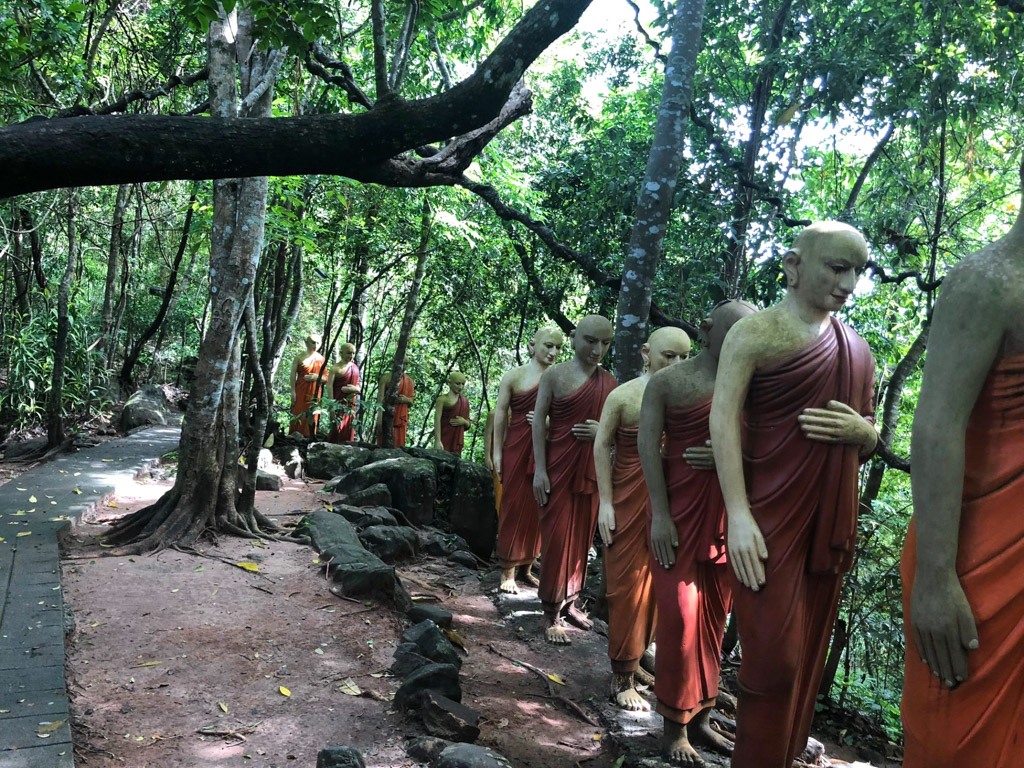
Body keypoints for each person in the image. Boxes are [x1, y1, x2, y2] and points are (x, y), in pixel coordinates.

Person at [709, 221, 878, 768]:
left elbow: (869, 431)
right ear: (793, 265)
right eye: (837, 267)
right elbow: (723, 420)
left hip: (827, 522)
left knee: (803, 658)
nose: (849, 282)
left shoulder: (857, 350)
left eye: (858, 271)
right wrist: (736, 511)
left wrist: (867, 435)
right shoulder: (756, 334)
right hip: (766, 518)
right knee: (771, 664)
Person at [901, 162, 1024, 768]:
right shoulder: (989, 280)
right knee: (953, 739)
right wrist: (935, 575)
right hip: (973, 555)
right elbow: (936, 425)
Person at [639, 300, 756, 765]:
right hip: (680, 518)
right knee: (681, 620)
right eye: (735, 330)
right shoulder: (670, 382)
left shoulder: (752, 383)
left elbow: (769, 448)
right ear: (708, 329)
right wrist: (659, 515)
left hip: (727, 522)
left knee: (713, 621)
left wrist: (735, 459)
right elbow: (648, 448)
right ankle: (672, 726)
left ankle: (702, 717)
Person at [595, 326, 691, 709]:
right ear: (646, 353)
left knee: (660, 582)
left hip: (674, 502)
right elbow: (602, 444)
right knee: (628, 583)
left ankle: (640, 654)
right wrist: (605, 501)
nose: (677, 364)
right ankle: (621, 676)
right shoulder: (624, 395)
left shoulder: (689, 396)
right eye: (669, 356)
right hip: (628, 498)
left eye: (684, 357)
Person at [533, 315, 617, 644]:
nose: (598, 349)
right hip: (558, 465)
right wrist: (539, 469)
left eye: (605, 343)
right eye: (591, 341)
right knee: (556, 539)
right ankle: (550, 610)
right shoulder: (555, 375)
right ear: (574, 338)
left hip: (591, 471)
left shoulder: (609, 383)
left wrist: (602, 433)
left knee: (581, 538)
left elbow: (619, 432)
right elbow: (539, 422)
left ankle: (569, 602)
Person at [493, 326, 564, 593]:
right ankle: (508, 570)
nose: (553, 352)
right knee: (513, 505)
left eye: (558, 347)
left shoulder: (559, 380)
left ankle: (527, 567)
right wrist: (497, 453)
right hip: (517, 447)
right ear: (533, 345)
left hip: (545, 452)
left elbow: (566, 418)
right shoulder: (515, 376)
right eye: (548, 345)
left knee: (539, 506)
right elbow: (501, 414)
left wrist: (548, 422)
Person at [290, 332, 326, 437]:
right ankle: (293, 437)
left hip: (314, 392)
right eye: (313, 343)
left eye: (318, 343)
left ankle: (309, 438)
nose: (315, 346)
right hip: (300, 390)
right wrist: (293, 391)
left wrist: (316, 377)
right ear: (306, 343)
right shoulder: (299, 357)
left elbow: (326, 378)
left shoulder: (321, 359)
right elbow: (292, 375)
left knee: (312, 414)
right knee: (298, 413)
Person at [326, 342, 361, 442]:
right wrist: (331, 407)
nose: (351, 356)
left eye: (353, 353)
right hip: (338, 403)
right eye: (348, 353)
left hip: (350, 405)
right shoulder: (335, 368)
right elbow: (329, 387)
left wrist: (354, 389)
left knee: (348, 428)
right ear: (341, 353)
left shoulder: (354, 368)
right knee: (336, 427)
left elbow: (358, 386)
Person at [376, 359, 415, 447]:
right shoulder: (386, 378)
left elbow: (411, 402)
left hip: (401, 416)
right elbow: (380, 400)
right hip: (388, 414)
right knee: (384, 441)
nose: (404, 366)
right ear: (393, 363)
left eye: (406, 364)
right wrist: (379, 418)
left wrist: (406, 400)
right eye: (402, 363)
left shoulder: (409, 381)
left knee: (399, 443)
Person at [433, 372, 472, 455]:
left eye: (463, 384)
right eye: (457, 384)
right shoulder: (442, 399)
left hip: (457, 439)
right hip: (444, 436)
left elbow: (468, 423)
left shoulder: (465, 401)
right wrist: (437, 440)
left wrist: (464, 422)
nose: (460, 387)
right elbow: (437, 420)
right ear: (449, 383)